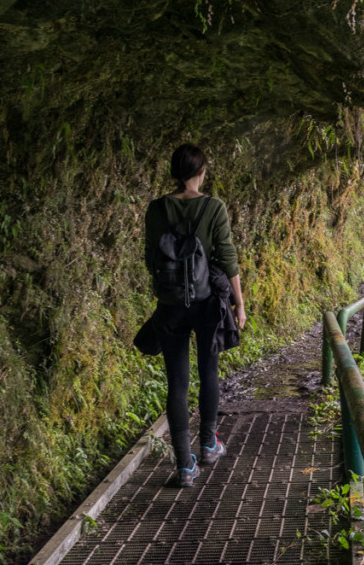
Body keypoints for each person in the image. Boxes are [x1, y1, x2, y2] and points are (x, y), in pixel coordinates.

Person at [144, 143, 247, 488]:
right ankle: (207, 444)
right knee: (209, 370)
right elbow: (227, 257)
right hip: (206, 303)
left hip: (171, 304)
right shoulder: (213, 207)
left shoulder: (157, 209)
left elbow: (151, 258)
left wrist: (166, 293)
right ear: (201, 171)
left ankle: (184, 466)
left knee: (177, 383)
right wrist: (239, 304)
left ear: (175, 172)